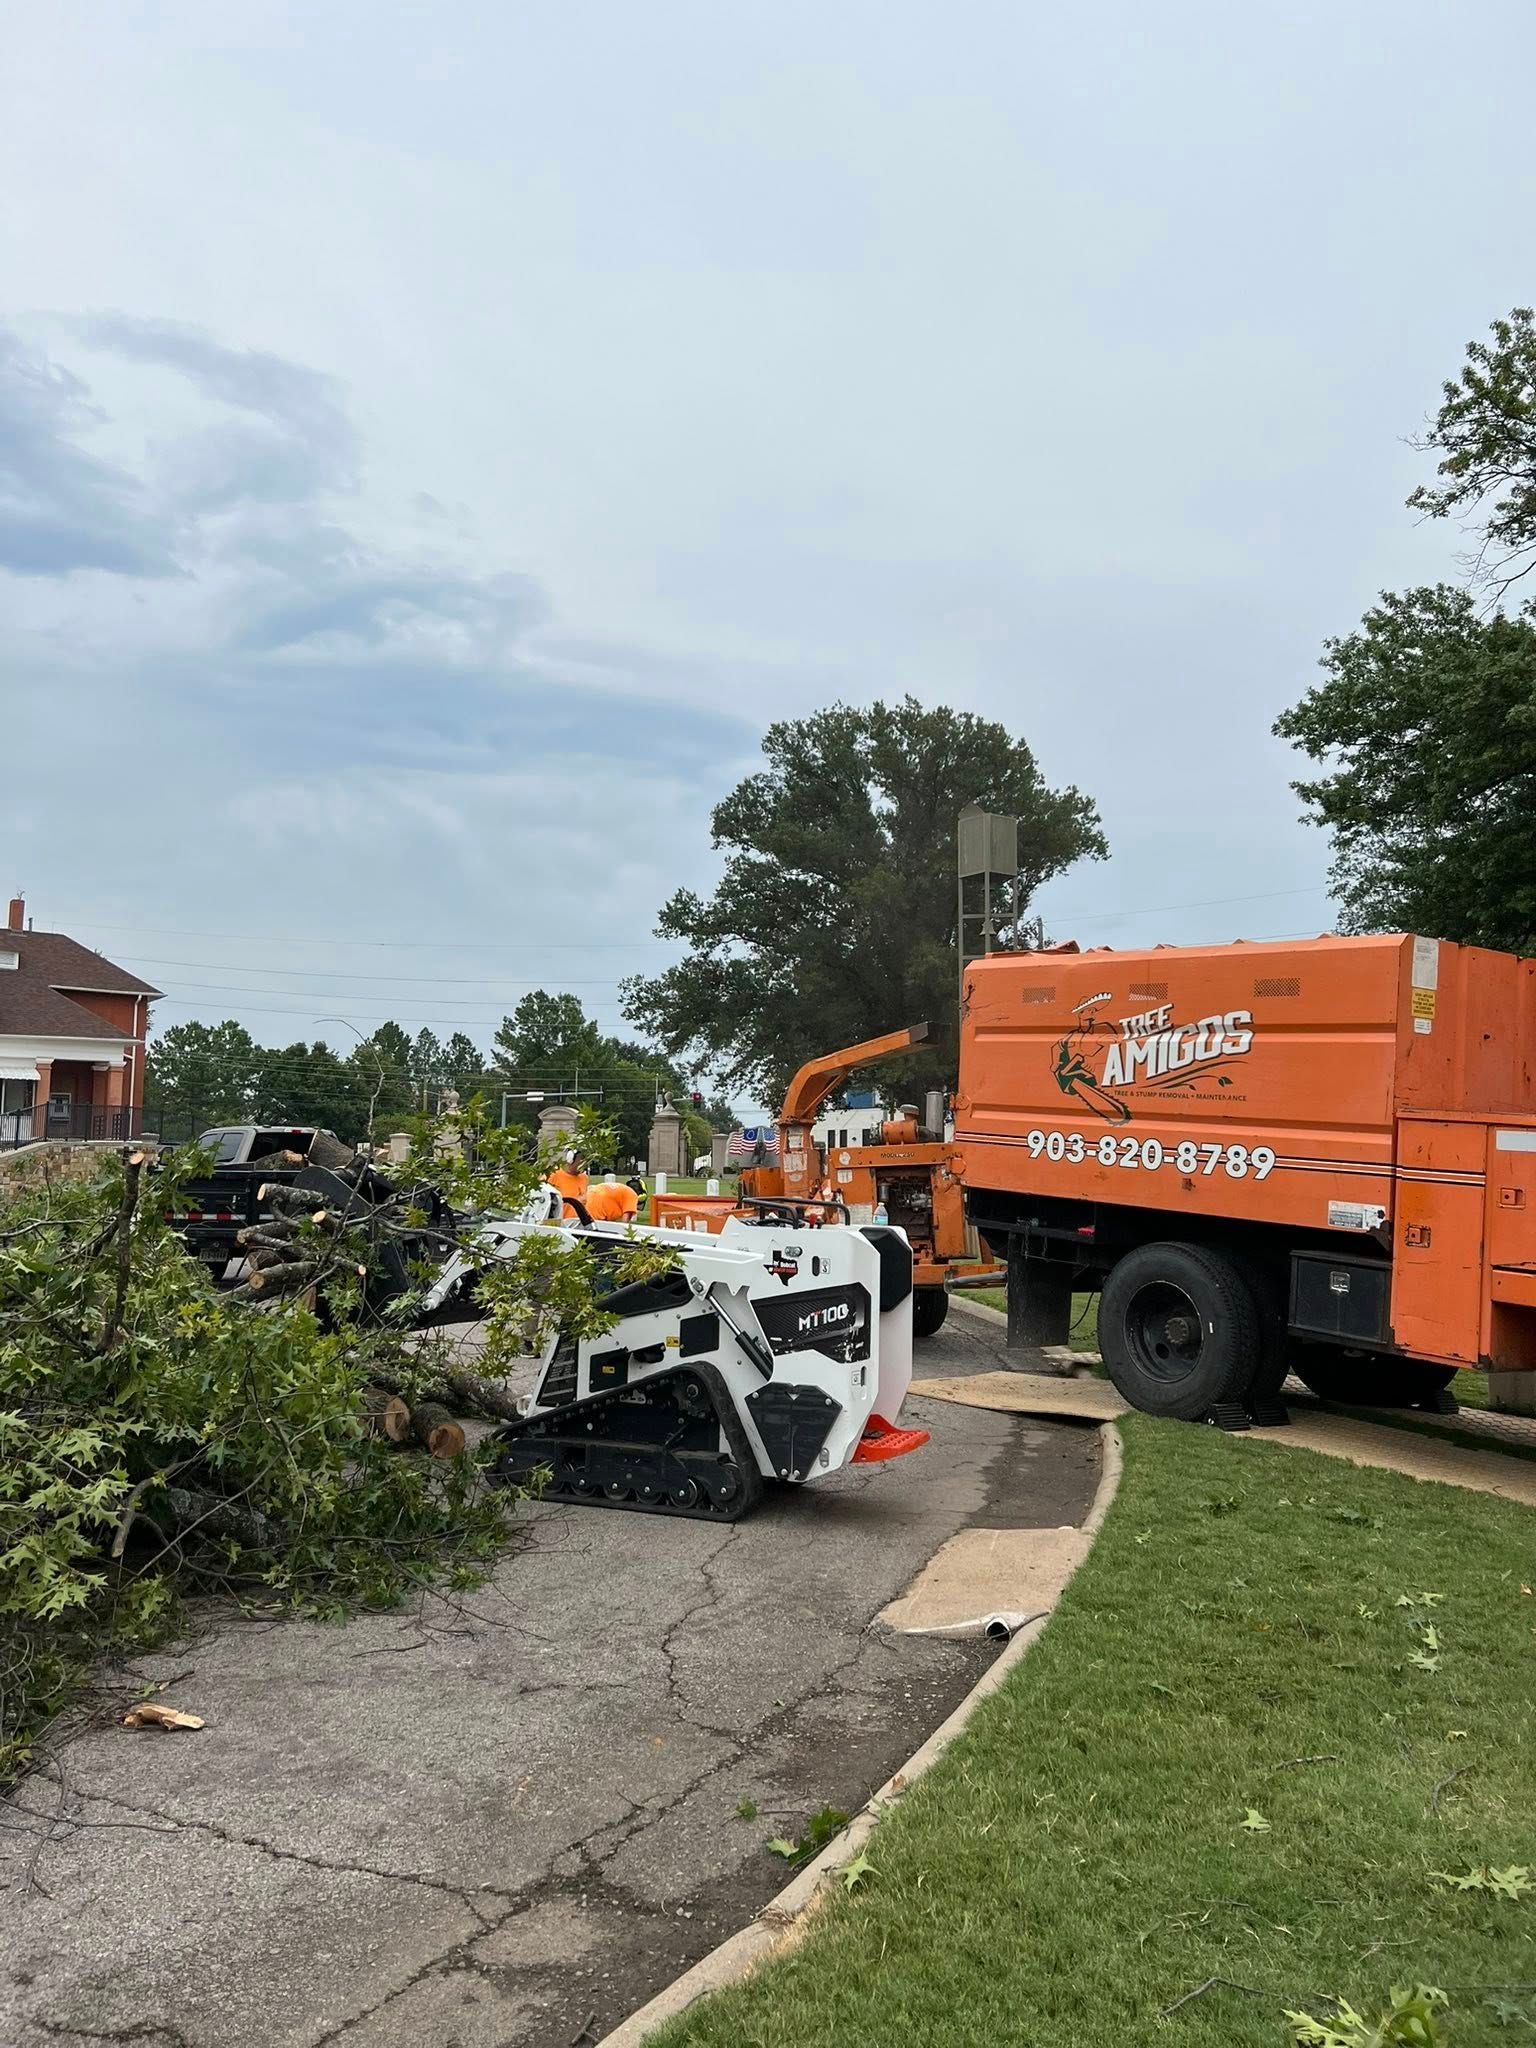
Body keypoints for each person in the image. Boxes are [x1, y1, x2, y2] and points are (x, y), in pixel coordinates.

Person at [547, 1153, 589, 1221]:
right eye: (580, 1160)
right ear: (570, 1160)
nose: (583, 1163)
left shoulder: (584, 1178)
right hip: (560, 1221)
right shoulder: (554, 1175)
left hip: (578, 1222)